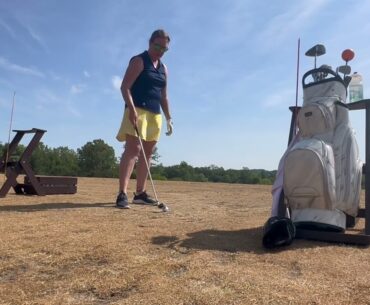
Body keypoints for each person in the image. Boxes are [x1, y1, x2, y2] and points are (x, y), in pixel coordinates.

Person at [115, 29, 173, 209]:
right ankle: (122, 194)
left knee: (148, 154)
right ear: (150, 43)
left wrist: (169, 118)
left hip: (155, 114)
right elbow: (125, 87)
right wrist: (131, 109)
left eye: (164, 48)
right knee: (133, 150)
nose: (160, 51)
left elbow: (164, 96)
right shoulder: (139, 61)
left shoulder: (164, 69)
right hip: (137, 109)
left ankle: (140, 193)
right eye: (157, 46)